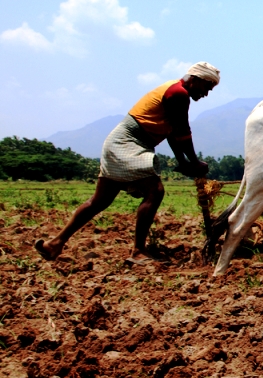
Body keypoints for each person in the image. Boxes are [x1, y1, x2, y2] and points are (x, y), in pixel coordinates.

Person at [35, 62, 221, 264]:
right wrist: (194, 162)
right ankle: (138, 251)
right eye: (207, 87)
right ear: (195, 79)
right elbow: (183, 132)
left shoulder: (174, 89)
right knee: (154, 191)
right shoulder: (178, 94)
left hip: (120, 142)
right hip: (128, 143)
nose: (206, 94)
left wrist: (184, 163)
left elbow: (173, 132)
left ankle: (54, 245)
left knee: (99, 201)